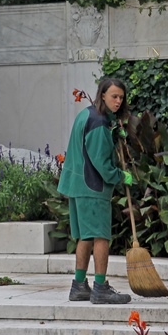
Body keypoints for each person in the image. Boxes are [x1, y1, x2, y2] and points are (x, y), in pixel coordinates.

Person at [57, 78, 134, 304]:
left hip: (77, 184)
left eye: (121, 97)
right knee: (101, 237)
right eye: (114, 96)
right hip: (93, 186)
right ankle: (100, 288)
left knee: (86, 236)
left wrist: (113, 133)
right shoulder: (99, 123)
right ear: (102, 95)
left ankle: (79, 286)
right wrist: (121, 176)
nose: (118, 101)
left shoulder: (88, 115)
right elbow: (101, 162)